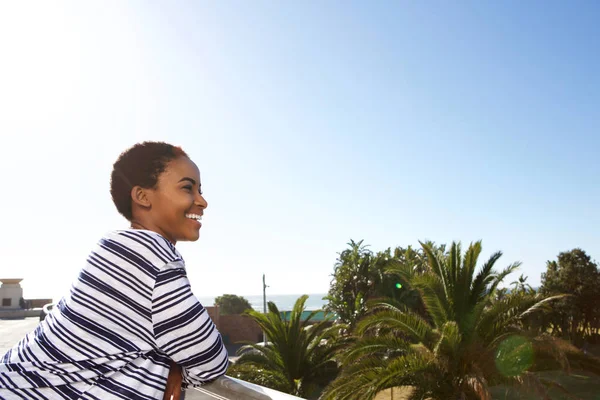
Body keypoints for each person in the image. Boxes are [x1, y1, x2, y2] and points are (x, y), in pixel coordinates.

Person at [0, 141, 229, 399]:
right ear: (142, 196)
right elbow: (212, 361)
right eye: (188, 188)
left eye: (200, 189)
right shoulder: (153, 255)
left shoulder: (113, 245)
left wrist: (173, 364)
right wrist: (175, 366)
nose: (202, 201)